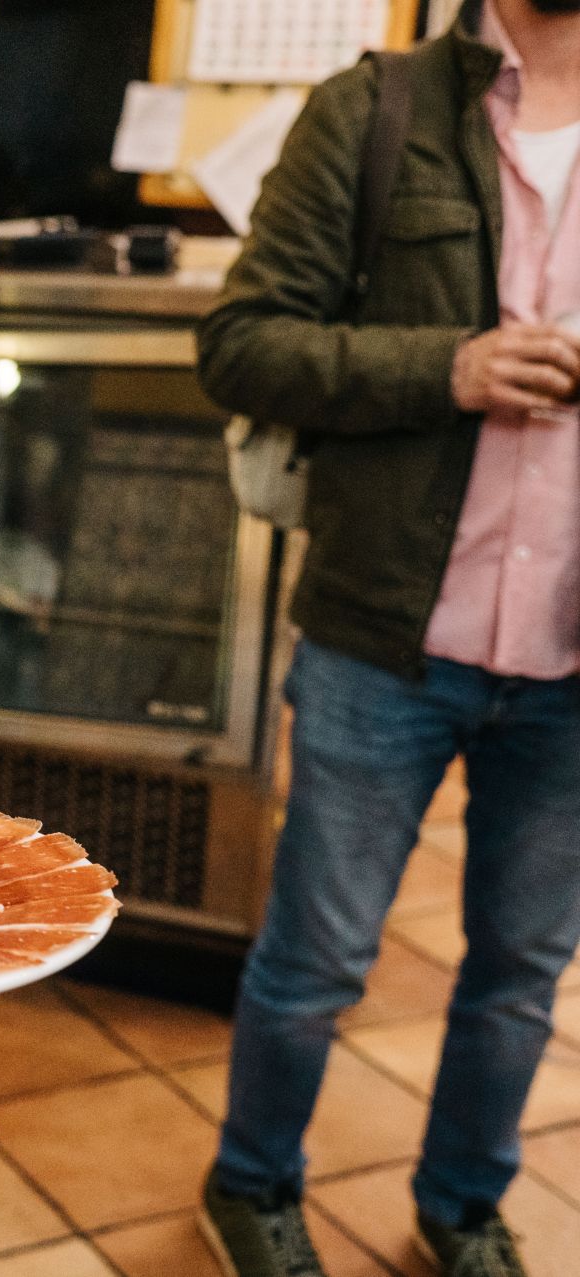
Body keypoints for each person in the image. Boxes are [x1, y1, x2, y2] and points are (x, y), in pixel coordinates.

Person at [195, 2, 580, 1274]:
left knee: (523, 969)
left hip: (572, 662)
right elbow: (242, 344)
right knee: (316, 956)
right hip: (383, 633)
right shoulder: (376, 109)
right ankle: (251, 1186)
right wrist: (447, 368)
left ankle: (464, 1207)